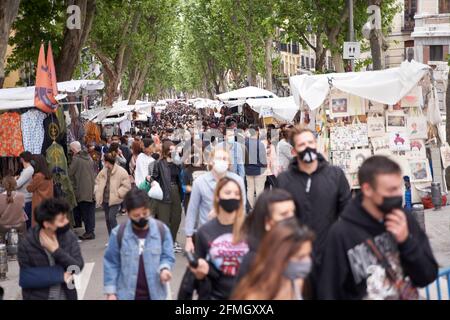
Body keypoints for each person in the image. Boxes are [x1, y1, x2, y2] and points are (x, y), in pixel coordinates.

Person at [317, 156, 438, 300]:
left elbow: (427, 275)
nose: (398, 195)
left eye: (398, 188)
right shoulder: (341, 234)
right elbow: (328, 292)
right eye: (391, 190)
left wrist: (407, 242)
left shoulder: (403, 218)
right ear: (367, 189)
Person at [277, 126, 351, 296]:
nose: (308, 147)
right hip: (296, 257)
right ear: (294, 151)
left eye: (310, 142)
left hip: (329, 255)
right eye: (302, 144)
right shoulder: (284, 180)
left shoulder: (335, 175)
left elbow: (347, 213)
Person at [103, 189, 175, 300]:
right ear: (128, 213)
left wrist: (164, 268)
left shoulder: (161, 230)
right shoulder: (118, 234)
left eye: (145, 213)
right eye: (136, 215)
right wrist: (111, 292)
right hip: (126, 295)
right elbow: (111, 263)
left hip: (156, 294)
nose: (141, 217)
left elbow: (167, 256)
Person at [189, 177, 249, 300]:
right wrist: (199, 273)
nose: (232, 196)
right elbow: (198, 272)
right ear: (217, 197)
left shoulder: (251, 229)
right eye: (227, 193)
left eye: (237, 193)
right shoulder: (204, 232)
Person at [17, 198, 84, 300]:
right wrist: (60, 275)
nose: (67, 222)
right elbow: (26, 278)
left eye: (66, 217)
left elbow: (77, 267)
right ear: (46, 223)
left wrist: (56, 250)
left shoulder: (68, 236)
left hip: (67, 294)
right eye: (61, 220)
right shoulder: (27, 243)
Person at [232, 218, 314, 300]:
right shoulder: (255, 296)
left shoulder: (296, 281)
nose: (307, 261)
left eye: (308, 255)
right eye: (300, 257)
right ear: (281, 257)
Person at [184, 147, 246, 253]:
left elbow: (242, 207)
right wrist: (189, 237)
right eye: (218, 158)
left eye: (225, 158)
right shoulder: (200, 182)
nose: (222, 161)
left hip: (232, 233)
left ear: (229, 163)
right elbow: (192, 210)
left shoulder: (237, 181)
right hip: (206, 234)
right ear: (211, 161)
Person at [237, 189, 295, 280]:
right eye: (284, 214)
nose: (291, 219)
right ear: (268, 222)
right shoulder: (253, 262)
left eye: (293, 213)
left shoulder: (297, 249)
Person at [150, 140, 183, 253]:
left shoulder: (177, 162)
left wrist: (177, 156)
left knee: (176, 218)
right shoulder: (159, 163)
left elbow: (181, 174)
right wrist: (151, 181)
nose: (173, 151)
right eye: (171, 149)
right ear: (166, 150)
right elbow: (154, 177)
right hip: (163, 193)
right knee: (163, 220)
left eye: (174, 149)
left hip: (176, 192)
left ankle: (172, 241)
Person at [95, 153, 131, 236]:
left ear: (107, 162)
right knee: (107, 219)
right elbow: (97, 182)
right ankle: (111, 238)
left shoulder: (121, 171)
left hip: (115, 199)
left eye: (104, 161)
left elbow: (126, 185)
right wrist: (97, 192)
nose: (103, 163)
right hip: (105, 198)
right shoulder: (103, 171)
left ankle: (117, 237)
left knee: (111, 218)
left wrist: (119, 194)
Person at [69, 141, 96, 240]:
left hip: (82, 189)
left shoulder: (76, 159)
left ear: (74, 150)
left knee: (85, 212)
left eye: (71, 150)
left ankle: (89, 232)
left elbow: (70, 173)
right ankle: (90, 231)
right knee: (90, 212)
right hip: (91, 188)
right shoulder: (88, 157)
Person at [27, 155, 54, 228]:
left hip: (38, 202)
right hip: (48, 201)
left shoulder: (38, 176)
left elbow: (29, 188)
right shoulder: (49, 174)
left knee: (38, 224)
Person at [244, 125, 267, 208]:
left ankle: (250, 208)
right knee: (259, 190)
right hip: (259, 170)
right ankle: (258, 208)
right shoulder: (260, 144)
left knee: (250, 189)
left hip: (248, 170)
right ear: (257, 131)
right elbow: (263, 159)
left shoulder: (244, 143)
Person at [0, 176, 26, 241]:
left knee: (2, 241)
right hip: (19, 225)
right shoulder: (21, 196)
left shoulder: (0, 197)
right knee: (23, 241)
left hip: (3, 226)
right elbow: (22, 207)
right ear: (15, 184)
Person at [16, 151, 34, 229]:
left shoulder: (28, 170)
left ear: (22, 159)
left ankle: (27, 240)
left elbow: (17, 185)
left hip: (26, 199)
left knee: (25, 223)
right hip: (24, 198)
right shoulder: (26, 170)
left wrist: (13, 180)